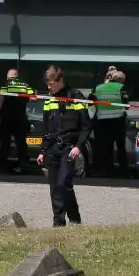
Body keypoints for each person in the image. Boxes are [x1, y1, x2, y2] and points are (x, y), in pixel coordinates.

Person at [38, 65, 92, 227]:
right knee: (54, 187)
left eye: (52, 84)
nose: (49, 87)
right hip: (53, 147)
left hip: (69, 147)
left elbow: (86, 126)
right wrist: (43, 150)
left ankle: (75, 219)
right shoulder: (50, 99)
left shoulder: (76, 97)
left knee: (63, 183)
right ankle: (58, 223)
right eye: (47, 84)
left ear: (60, 80)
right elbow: (46, 127)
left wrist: (78, 147)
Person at [89, 67, 130, 177]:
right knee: (120, 147)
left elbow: (90, 102)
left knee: (105, 147)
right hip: (117, 122)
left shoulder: (98, 87)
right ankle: (123, 172)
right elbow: (126, 104)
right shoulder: (121, 88)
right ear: (121, 80)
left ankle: (106, 171)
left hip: (101, 122)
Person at [0, 68, 35, 174]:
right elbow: (34, 98)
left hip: (6, 119)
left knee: (4, 144)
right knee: (21, 143)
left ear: (8, 77)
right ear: (17, 76)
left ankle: (1, 167)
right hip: (20, 119)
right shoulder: (25, 85)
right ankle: (23, 166)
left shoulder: (5, 84)